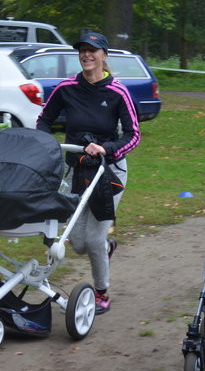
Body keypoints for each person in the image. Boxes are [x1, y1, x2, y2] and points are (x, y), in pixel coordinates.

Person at [36, 31, 140, 314]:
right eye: (82, 50)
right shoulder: (66, 88)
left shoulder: (118, 92)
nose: (87, 55)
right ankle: (105, 250)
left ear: (104, 56)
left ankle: (101, 292)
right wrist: (45, 146)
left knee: (93, 238)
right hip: (75, 170)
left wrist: (107, 149)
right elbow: (43, 121)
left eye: (93, 50)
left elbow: (134, 136)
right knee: (79, 243)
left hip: (110, 173)